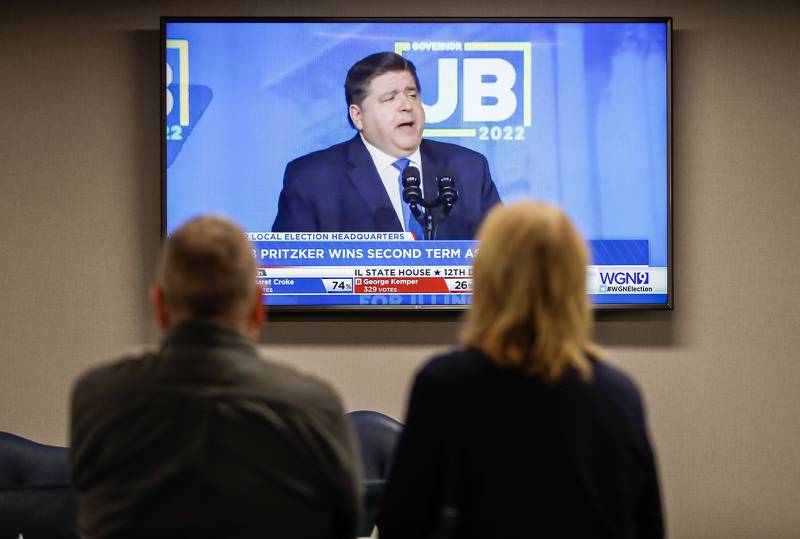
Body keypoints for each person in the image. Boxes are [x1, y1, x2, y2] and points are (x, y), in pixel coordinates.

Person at [377, 201, 664, 539]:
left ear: (486, 276)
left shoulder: (445, 385)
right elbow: (648, 526)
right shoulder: (619, 395)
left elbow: (401, 525)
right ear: (575, 281)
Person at [69, 216, 362, 539]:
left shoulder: (97, 399)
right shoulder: (315, 407)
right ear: (258, 308)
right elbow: (345, 526)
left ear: (159, 307)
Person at [271, 52, 502, 239]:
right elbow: (290, 279)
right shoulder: (312, 179)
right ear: (358, 116)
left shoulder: (469, 168)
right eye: (389, 98)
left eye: (412, 95)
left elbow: (508, 259)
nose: (406, 105)